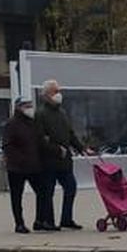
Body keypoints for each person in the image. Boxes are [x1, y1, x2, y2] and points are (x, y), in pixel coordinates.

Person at [34, 79, 81, 232]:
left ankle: (66, 219)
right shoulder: (40, 114)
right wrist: (56, 149)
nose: (59, 94)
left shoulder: (62, 113)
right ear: (47, 94)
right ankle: (48, 221)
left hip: (65, 161)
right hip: (48, 161)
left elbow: (70, 134)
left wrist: (82, 148)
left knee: (71, 188)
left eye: (59, 91)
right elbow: (40, 139)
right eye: (55, 91)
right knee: (48, 192)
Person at [1, 98, 40, 235]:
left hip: (33, 166)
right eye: (27, 106)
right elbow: (7, 145)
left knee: (42, 192)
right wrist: (19, 159)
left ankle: (39, 220)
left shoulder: (32, 123)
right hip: (16, 168)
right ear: (19, 107)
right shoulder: (11, 124)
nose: (30, 108)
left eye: (31, 105)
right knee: (17, 196)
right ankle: (19, 223)